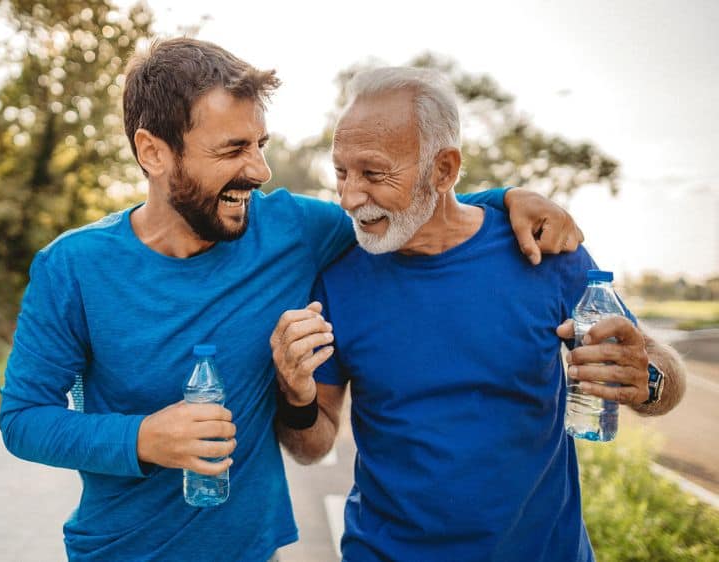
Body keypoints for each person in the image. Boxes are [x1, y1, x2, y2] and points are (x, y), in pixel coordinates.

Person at [0, 38, 585, 562]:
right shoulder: (72, 267)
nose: (259, 169)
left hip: (254, 550)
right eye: (232, 150)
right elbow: (23, 419)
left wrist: (509, 197)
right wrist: (140, 439)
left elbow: (408, 208)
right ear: (153, 152)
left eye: (260, 144)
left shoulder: (292, 231)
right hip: (119, 550)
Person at [270, 66, 687, 561]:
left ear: (443, 170)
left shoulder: (543, 250)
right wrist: (294, 394)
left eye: (374, 173)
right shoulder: (338, 278)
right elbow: (312, 445)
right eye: (341, 171)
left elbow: (661, 378)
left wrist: (651, 379)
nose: (349, 196)